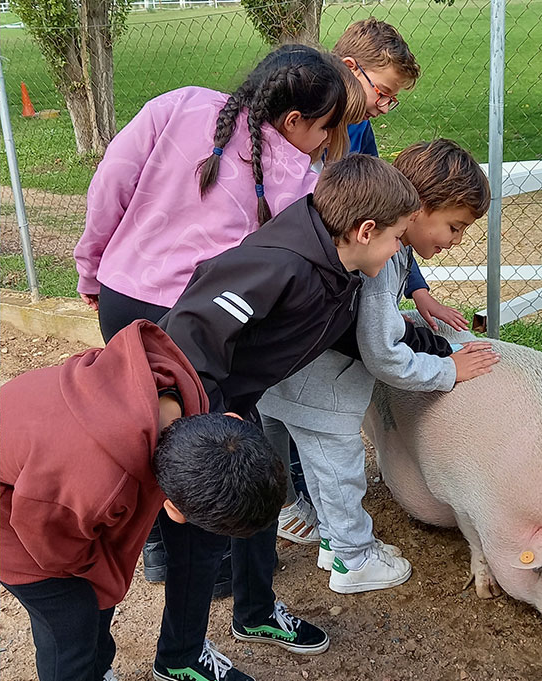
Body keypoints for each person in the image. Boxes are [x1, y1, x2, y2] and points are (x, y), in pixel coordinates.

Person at [151, 153, 490, 681]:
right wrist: (202, 423)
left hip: (241, 403)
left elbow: (350, 333)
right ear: (367, 228)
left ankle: (256, 612)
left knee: (257, 505)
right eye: (399, 238)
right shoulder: (281, 264)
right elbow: (191, 330)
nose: (403, 251)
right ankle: (179, 658)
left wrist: (438, 349)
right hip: (202, 414)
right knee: (202, 532)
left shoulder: (342, 267)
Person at [71, 43, 363, 585]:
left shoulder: (178, 104)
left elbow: (110, 184)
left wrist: (92, 269)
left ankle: (154, 545)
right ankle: (210, 559)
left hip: (122, 297)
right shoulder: (299, 181)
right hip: (198, 327)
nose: (326, 142)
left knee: (142, 419)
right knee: (206, 444)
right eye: (325, 128)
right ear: (295, 120)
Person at [258, 139, 497, 593]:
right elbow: (382, 353)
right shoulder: (383, 264)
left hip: (295, 380)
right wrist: (449, 371)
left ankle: (332, 542)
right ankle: (353, 561)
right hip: (321, 392)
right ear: (418, 208)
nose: (455, 241)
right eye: (455, 226)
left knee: (320, 469)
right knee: (340, 473)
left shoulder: (390, 252)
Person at [0, 320, 287, 681]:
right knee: (69, 621)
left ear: (229, 421)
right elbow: (50, 548)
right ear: (173, 509)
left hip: (39, 456)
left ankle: (97, 668)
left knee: (96, 601)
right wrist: (102, 579)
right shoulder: (98, 488)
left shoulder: (182, 392)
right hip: (19, 517)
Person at [331, 17, 472, 334]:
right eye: (382, 92)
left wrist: (416, 289)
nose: (383, 107)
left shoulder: (359, 125)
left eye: (391, 100)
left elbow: (388, 207)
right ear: (351, 68)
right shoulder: (304, 126)